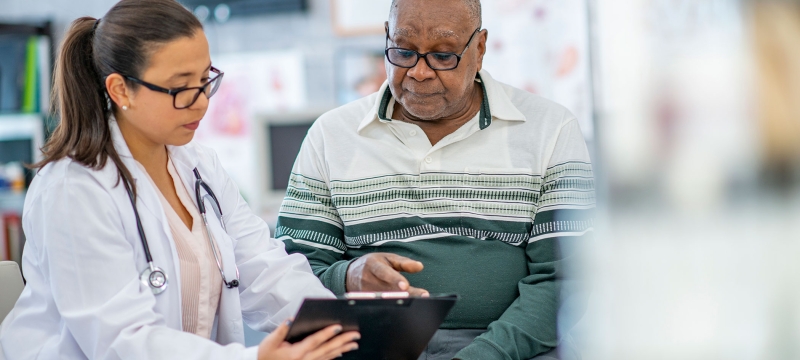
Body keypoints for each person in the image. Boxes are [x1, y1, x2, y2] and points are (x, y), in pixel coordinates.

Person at [0, 1, 360, 359]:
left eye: (205, 80)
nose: (201, 102)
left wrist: (342, 328)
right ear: (121, 90)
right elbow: (122, 340)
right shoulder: (73, 189)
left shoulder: (200, 166)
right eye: (180, 88)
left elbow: (264, 269)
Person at [277, 0, 594, 359]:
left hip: (512, 347)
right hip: (374, 346)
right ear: (386, 38)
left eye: (443, 56)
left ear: (479, 48)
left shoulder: (549, 129)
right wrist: (348, 276)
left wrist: (484, 354)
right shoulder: (331, 134)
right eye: (403, 51)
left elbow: (564, 279)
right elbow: (289, 270)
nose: (419, 72)